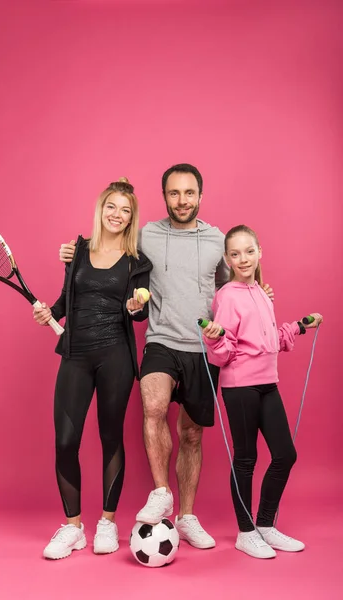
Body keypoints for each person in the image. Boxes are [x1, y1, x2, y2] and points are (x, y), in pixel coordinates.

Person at [59, 164, 275, 550]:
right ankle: (161, 492)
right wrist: (74, 253)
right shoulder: (147, 235)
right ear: (164, 197)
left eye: (189, 193)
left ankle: (187, 516)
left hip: (202, 347)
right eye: (174, 193)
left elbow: (236, 280)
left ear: (200, 196)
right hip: (159, 340)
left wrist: (260, 292)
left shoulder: (217, 239)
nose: (182, 200)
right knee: (153, 406)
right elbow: (110, 244)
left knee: (191, 434)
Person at [34, 178, 152, 560]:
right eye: (112, 207)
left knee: (111, 439)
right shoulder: (78, 250)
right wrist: (47, 313)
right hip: (75, 354)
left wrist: (136, 308)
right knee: (65, 441)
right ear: (101, 209)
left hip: (115, 356)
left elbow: (142, 310)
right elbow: (65, 302)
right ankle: (73, 528)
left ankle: (107, 521)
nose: (117, 215)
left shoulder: (137, 261)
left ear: (132, 217)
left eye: (125, 210)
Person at [201, 224, 322, 559]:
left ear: (259, 251)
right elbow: (223, 354)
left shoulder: (261, 293)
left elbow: (269, 341)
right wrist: (213, 337)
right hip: (240, 387)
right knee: (246, 458)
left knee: (285, 455)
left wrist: (299, 325)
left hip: (268, 384)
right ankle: (245, 532)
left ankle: (265, 526)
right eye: (235, 254)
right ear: (227, 258)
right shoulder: (226, 296)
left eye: (249, 251)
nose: (243, 259)